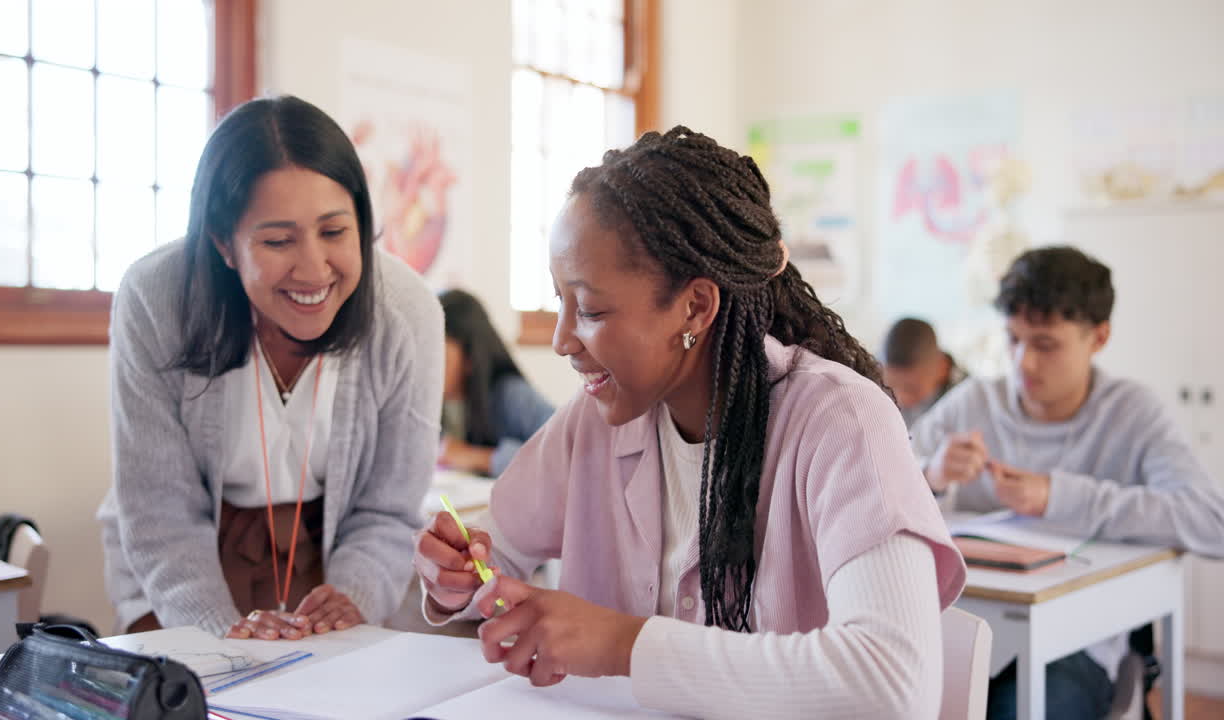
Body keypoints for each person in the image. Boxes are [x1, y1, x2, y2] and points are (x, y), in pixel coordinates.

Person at [412, 127, 966, 719]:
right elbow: (495, 558)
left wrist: (621, 643)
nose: (561, 339)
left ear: (696, 306)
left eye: (592, 309)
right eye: (559, 302)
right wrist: (460, 580)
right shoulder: (592, 423)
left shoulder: (839, 420)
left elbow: (891, 687)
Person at [97, 96, 443, 641]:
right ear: (223, 243)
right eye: (279, 240)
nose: (312, 269)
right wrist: (218, 632)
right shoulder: (156, 298)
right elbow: (159, 512)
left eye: (334, 232)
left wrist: (351, 599)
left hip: (330, 557)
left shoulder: (407, 312)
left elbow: (388, 510)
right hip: (184, 564)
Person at [910, 246, 1224, 719]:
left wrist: (1058, 496)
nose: (1023, 363)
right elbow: (878, 481)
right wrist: (930, 474)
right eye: (1013, 340)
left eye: (1045, 344)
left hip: (1081, 647)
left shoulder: (1132, 412)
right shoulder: (975, 401)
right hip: (960, 629)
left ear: (1099, 337)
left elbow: (1210, 520)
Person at [437, 288, 555, 477]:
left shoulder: (512, 395)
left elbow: (565, 454)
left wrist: (477, 457)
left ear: (470, 357)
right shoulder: (433, 405)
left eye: (439, 355)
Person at [881, 317, 968, 427]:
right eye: (890, 388)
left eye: (911, 389)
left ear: (943, 369)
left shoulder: (965, 403)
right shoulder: (871, 388)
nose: (900, 400)